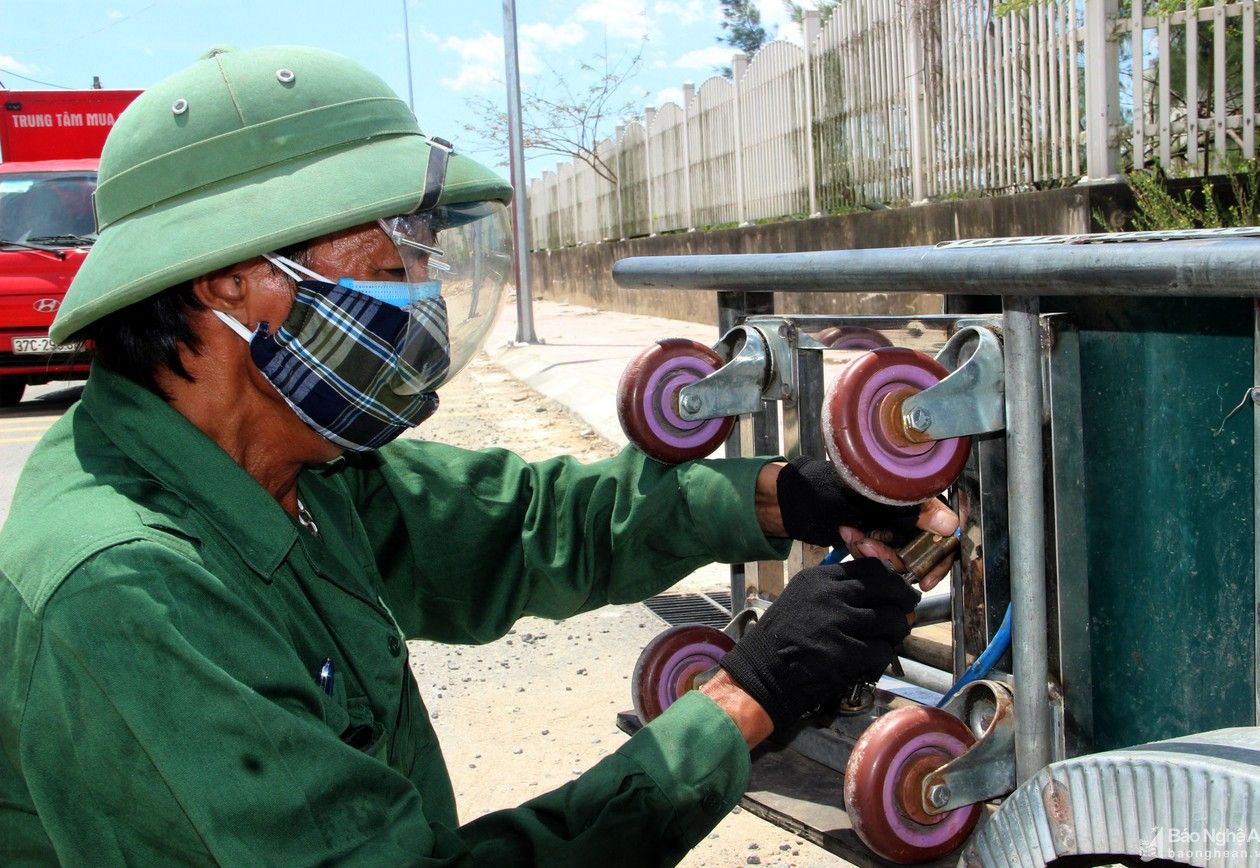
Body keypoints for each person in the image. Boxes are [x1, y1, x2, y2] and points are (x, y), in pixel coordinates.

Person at [0, 46, 956, 865]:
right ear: (234, 283)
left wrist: (785, 495)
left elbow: (526, 522)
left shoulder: (282, 466)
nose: (421, 297)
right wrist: (747, 702)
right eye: (391, 269)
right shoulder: (132, 590)